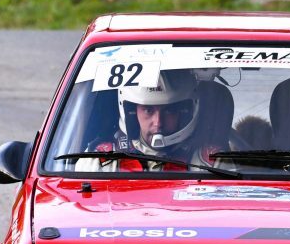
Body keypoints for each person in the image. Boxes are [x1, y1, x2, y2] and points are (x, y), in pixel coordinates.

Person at [76, 71, 216, 171]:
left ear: (184, 112)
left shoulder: (213, 164)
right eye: (148, 110)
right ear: (132, 112)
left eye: (169, 110)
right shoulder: (98, 163)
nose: (158, 123)